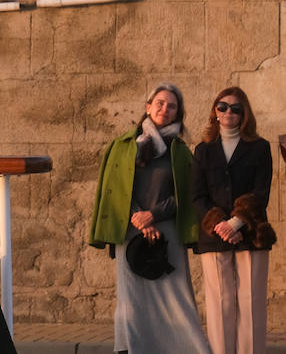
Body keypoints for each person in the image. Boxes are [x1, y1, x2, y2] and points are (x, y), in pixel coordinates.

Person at [88, 82, 212, 354]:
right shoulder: (123, 147)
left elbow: (188, 194)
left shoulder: (180, 151)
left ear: (178, 114)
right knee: (133, 299)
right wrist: (138, 217)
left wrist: (153, 215)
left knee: (176, 296)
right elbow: (115, 188)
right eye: (160, 103)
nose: (164, 109)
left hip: (168, 229)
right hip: (130, 228)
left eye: (172, 106)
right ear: (148, 107)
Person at [191, 87, 275, 354]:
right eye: (223, 106)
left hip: (251, 233)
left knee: (252, 303)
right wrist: (220, 225)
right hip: (213, 235)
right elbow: (197, 195)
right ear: (215, 112)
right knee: (219, 304)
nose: (229, 112)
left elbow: (261, 192)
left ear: (244, 114)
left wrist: (236, 223)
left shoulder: (260, 147)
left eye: (236, 108)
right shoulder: (203, 150)